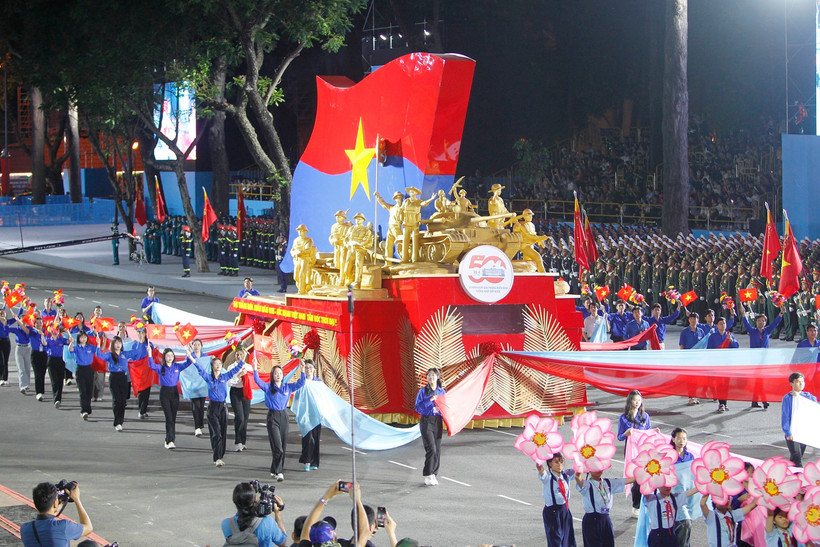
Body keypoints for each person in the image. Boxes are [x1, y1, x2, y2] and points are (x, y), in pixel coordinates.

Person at [254, 358, 306, 480]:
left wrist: (302, 369)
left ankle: (274, 469)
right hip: (272, 417)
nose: (278, 375)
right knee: (278, 447)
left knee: (282, 445)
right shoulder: (268, 387)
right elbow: (257, 380)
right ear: (272, 375)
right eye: (276, 373)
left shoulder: (287, 387)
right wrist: (255, 367)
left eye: (280, 374)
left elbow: (301, 383)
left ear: (283, 376)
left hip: (284, 416)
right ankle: (279, 472)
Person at [195, 355, 245, 466]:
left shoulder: (224, 376)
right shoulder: (209, 378)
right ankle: (217, 457)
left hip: (223, 407)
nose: (218, 365)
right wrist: (192, 359)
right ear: (212, 366)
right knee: (216, 433)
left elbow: (235, 371)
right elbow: (200, 370)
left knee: (222, 432)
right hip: (212, 408)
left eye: (219, 364)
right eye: (216, 364)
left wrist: (242, 360)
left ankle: (219, 455)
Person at [20, 481, 93, 547]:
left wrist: (56, 507)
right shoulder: (64, 526)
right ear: (55, 503)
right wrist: (77, 499)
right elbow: (88, 527)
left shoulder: (25, 529)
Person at [96, 334, 144, 431]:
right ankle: (117, 422)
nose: (118, 345)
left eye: (119, 343)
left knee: (123, 401)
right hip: (114, 378)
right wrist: (98, 345)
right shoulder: (110, 355)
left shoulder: (124, 354)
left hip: (123, 377)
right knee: (116, 400)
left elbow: (136, 352)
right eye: (116, 343)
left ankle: (120, 421)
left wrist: (140, 341)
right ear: (113, 345)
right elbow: (99, 355)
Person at [148, 346, 193, 448]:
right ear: (164, 357)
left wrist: (189, 354)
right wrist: (150, 353)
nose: (170, 357)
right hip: (164, 393)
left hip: (174, 393)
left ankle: (169, 438)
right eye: (168, 356)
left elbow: (188, 363)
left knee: (173, 417)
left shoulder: (177, 366)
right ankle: (169, 440)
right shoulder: (161, 367)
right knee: (169, 417)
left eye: (171, 355)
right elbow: (151, 365)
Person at [574, 470, 632, 547]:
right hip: (592, 519)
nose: (598, 470)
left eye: (600, 468)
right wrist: (581, 467)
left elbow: (627, 480)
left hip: (605, 519)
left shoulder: (608, 482)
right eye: (595, 468)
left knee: (608, 543)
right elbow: (577, 477)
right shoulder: (587, 485)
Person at [742, 303, 784, 409]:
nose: (761, 322)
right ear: (756, 322)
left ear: (765, 322)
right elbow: (746, 323)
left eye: (763, 321)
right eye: (759, 320)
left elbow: (775, 323)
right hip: (755, 360)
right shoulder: (752, 331)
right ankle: (763, 400)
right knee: (758, 381)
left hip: (765, 360)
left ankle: (756, 401)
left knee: (761, 381)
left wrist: (781, 313)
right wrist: (743, 314)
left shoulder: (767, 331)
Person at [617, 390, 651, 516]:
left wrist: (655, 432)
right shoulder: (623, 418)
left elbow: (648, 432)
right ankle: (636, 505)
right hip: (631, 451)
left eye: (639, 400)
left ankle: (644, 502)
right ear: (630, 401)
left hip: (643, 450)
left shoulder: (645, 416)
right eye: (634, 400)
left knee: (645, 477)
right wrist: (627, 433)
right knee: (636, 478)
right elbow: (620, 437)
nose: (637, 403)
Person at [221, 482, 287, 547]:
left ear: (233, 500)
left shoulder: (227, 524)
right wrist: (278, 513)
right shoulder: (268, 522)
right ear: (255, 499)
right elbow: (283, 542)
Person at [415, 367, 445, 486]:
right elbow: (418, 407)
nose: (431, 378)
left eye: (433, 375)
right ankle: (428, 474)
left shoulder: (442, 392)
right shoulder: (423, 392)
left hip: (437, 421)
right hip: (426, 421)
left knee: (437, 449)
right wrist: (429, 400)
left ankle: (434, 474)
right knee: (431, 448)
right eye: (429, 375)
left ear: (437, 377)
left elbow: (446, 406)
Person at [537, 454, 576, 546]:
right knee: (556, 539)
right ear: (550, 464)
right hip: (552, 512)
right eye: (556, 462)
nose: (559, 464)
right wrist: (538, 458)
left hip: (565, 510)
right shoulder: (548, 477)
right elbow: (540, 469)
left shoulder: (566, 475)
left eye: (561, 461)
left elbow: (578, 470)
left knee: (568, 538)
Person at [781, 371, 817, 467]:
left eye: (802, 381)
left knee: (797, 456)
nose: (801, 383)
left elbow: (815, 404)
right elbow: (785, 416)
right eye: (797, 381)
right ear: (791, 384)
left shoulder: (807, 397)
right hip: (793, 431)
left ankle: (792, 475)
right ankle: (799, 474)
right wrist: (788, 432)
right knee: (796, 456)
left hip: (803, 431)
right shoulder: (788, 398)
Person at [67, 331, 98, 420]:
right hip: (80, 370)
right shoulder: (77, 347)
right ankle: (83, 410)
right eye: (81, 337)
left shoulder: (90, 347)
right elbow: (70, 349)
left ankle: (88, 408)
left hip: (89, 369)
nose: (83, 339)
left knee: (89, 391)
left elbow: (99, 349)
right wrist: (71, 342)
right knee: (82, 391)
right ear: (79, 339)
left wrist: (100, 341)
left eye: (85, 337)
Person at [298, 359, 322, 471]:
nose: (308, 370)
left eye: (310, 368)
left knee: (316, 438)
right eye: (306, 368)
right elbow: (298, 397)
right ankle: (306, 461)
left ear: (314, 369)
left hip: (316, 414)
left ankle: (314, 462)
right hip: (305, 414)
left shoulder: (318, 382)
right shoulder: (301, 382)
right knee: (308, 437)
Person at [227, 347, 252, 452]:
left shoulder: (248, 367)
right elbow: (229, 382)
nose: (239, 356)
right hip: (235, 392)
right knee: (239, 417)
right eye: (237, 354)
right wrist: (239, 376)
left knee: (245, 418)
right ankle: (238, 442)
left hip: (245, 392)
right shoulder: (231, 367)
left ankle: (243, 441)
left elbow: (253, 378)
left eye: (241, 355)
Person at [183, 338, 208, 436]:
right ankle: (197, 427)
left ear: (201, 346)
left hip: (202, 385)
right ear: (192, 346)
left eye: (198, 345)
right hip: (193, 385)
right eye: (195, 345)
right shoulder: (190, 356)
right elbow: (186, 368)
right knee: (195, 406)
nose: (196, 347)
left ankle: (200, 425)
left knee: (201, 406)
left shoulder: (205, 357)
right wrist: (188, 355)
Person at [7, 308, 33, 394]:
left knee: (27, 368)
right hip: (19, 349)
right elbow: (7, 329)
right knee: (21, 368)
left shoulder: (29, 329)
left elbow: (28, 334)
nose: (23, 321)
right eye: (21, 320)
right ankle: (23, 386)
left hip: (27, 349)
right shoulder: (16, 329)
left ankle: (27, 385)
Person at [44, 320, 70, 408]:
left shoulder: (61, 339)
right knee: (54, 381)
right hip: (51, 361)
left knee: (60, 381)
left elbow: (70, 341)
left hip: (60, 360)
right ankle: (56, 399)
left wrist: (68, 332)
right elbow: (44, 343)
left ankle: (59, 399)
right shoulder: (48, 339)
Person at [29, 316, 49, 401]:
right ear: (35, 324)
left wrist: (42, 335)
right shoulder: (32, 332)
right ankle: (39, 392)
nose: (39, 324)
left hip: (44, 354)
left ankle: (42, 391)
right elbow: (24, 326)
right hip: (35, 354)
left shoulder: (46, 332)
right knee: (37, 373)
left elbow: (45, 344)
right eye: (37, 323)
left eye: (41, 322)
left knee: (42, 373)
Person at [0, 308, 10, 386]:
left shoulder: (8, 322)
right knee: (1, 361)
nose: (2, 314)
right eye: (1, 313)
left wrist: (21, 307)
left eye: (3, 313)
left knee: (6, 361)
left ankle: (5, 378)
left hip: (7, 342)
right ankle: (0, 378)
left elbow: (17, 317)